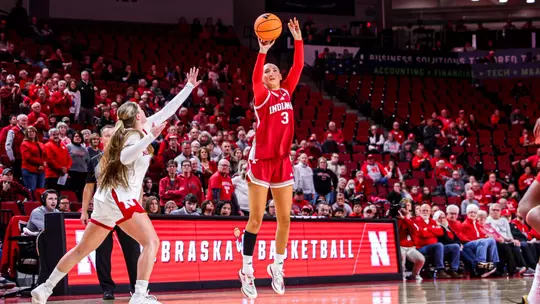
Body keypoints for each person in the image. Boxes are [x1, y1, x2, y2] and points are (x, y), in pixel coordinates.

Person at [31, 67, 201, 304]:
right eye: (142, 110)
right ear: (137, 116)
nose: (146, 111)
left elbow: (168, 110)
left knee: (82, 249)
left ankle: (45, 288)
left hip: (107, 200)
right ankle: (139, 296)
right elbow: (125, 157)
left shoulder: (140, 128)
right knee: (151, 242)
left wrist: (189, 87)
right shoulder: (131, 136)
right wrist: (150, 137)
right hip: (120, 197)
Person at [239, 18, 303, 299]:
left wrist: (298, 40)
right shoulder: (262, 96)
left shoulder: (287, 91)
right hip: (261, 160)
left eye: (276, 69)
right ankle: (246, 269)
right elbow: (254, 76)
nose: (273, 72)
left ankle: (277, 265)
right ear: (264, 78)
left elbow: (298, 67)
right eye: (269, 71)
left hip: (282, 160)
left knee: (285, 219)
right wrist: (262, 51)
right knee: (255, 220)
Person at [79, 124, 139, 300]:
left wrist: (138, 206)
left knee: (132, 250)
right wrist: (84, 211)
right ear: (101, 139)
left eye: (114, 135)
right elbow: (89, 187)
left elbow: (138, 185)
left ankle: (137, 288)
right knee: (102, 251)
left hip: (124, 210)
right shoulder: (95, 160)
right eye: (107, 135)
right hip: (104, 210)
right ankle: (107, 288)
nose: (111, 137)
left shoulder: (126, 157)